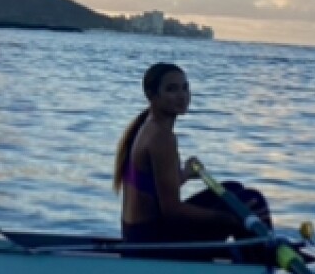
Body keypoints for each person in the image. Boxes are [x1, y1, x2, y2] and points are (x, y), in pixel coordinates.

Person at [112, 62, 272, 245]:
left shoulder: (149, 126)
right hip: (151, 241)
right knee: (251, 201)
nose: (182, 96)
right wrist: (227, 218)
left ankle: (248, 258)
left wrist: (185, 174)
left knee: (233, 190)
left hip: (138, 234)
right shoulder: (161, 138)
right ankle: (259, 263)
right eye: (172, 89)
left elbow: (157, 191)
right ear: (151, 95)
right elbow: (171, 210)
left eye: (185, 88)